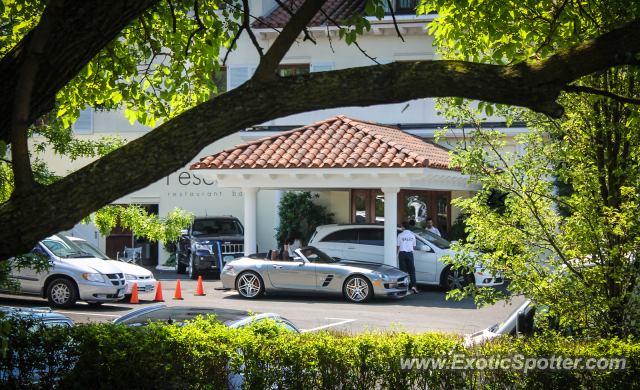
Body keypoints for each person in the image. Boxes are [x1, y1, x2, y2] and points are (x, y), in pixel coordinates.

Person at [397, 221, 419, 294]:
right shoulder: (412, 236)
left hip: (402, 253)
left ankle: (403, 287)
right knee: (411, 271)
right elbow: (414, 246)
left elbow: (398, 245)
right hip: (409, 253)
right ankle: (414, 286)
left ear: (403, 227)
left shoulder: (400, 235)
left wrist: (397, 252)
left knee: (403, 271)